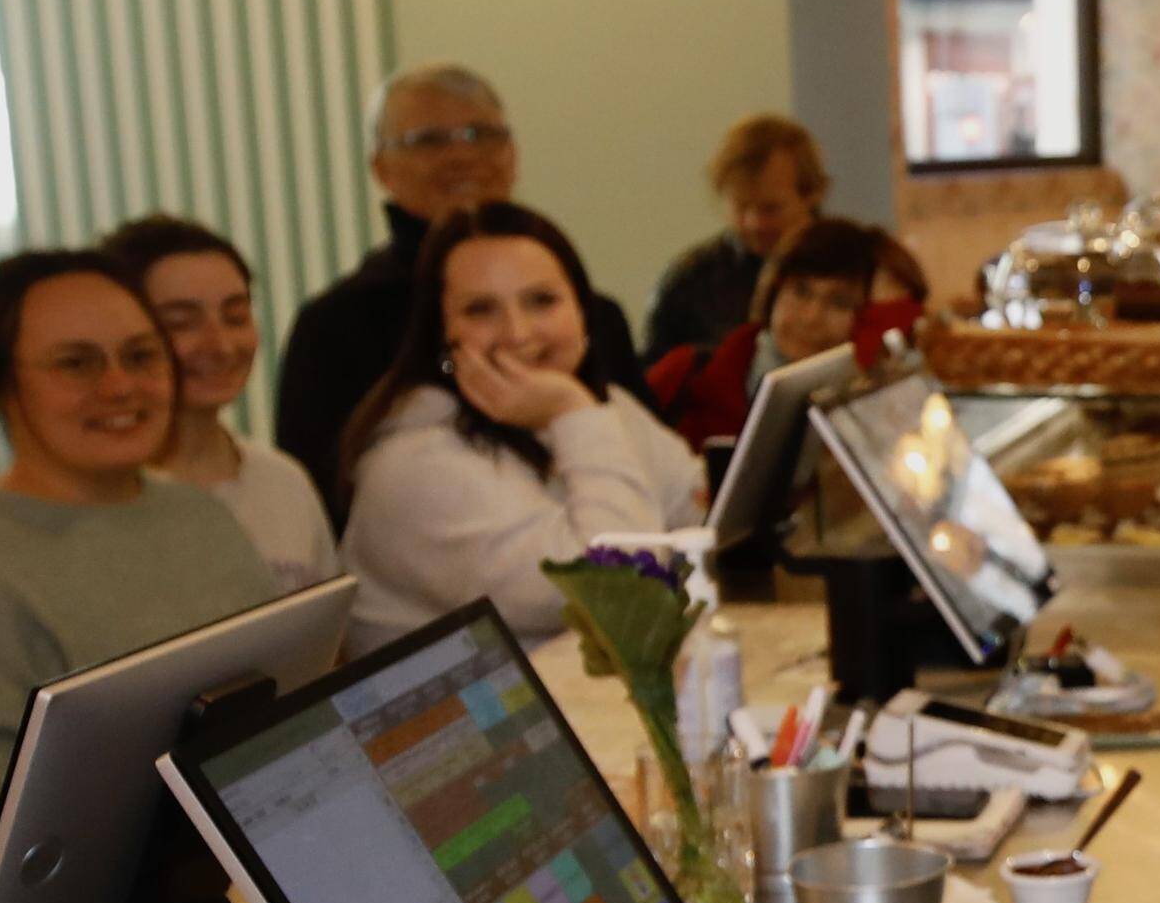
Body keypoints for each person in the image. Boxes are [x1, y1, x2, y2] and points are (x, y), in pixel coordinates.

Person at [0, 251, 272, 863]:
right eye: (76, 364)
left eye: (141, 356)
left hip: (261, 863)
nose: (119, 385)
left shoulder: (200, 516)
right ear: (3, 384)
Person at [268, 67, 638, 525]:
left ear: (513, 154)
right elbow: (317, 505)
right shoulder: (337, 324)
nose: (463, 155)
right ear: (381, 169)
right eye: (430, 140)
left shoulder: (591, 315)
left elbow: (666, 486)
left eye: (481, 134)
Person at [338, 202, 707, 641]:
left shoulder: (601, 408)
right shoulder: (412, 465)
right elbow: (616, 590)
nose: (517, 332)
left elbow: (704, 518)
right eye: (481, 309)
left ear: (583, 314)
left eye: (541, 301)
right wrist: (574, 412)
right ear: (441, 332)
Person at [98, 210, 342, 595]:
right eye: (181, 322)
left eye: (235, 316)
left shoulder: (283, 480)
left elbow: (331, 635)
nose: (220, 345)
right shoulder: (100, 497)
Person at [639, 215, 922, 451]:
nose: (811, 317)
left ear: (864, 317)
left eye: (839, 302)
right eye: (800, 291)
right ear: (774, 290)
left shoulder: (868, 412)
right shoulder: (686, 376)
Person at [645, 111, 829, 362]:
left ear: (812, 194)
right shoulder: (689, 282)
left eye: (770, 208)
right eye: (741, 208)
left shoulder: (859, 267)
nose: (754, 224)